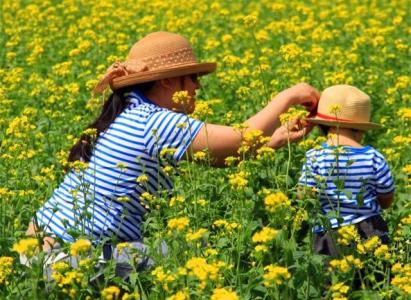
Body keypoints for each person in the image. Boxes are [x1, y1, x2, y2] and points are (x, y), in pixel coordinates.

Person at [28, 31, 319, 262]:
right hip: (68, 260)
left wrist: (274, 141)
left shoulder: (130, 111)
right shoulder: (153, 122)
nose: (197, 87)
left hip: (42, 250)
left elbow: (219, 157)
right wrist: (288, 95)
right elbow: (239, 139)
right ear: (167, 81)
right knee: (196, 251)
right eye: (192, 78)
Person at [298, 85, 395, 257]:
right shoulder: (374, 158)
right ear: (362, 128)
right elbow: (386, 200)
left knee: (332, 281)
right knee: (372, 279)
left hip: (328, 233)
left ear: (323, 125)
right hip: (370, 229)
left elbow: (304, 196)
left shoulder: (314, 156)